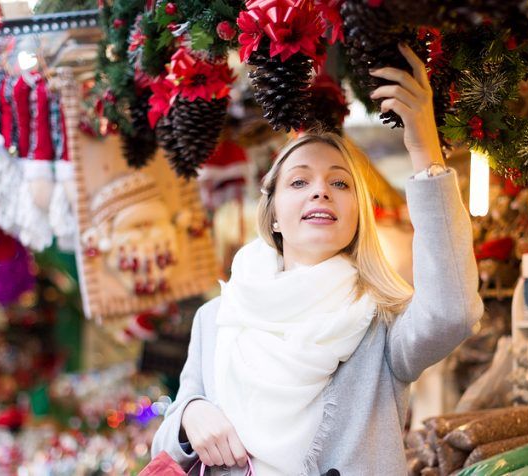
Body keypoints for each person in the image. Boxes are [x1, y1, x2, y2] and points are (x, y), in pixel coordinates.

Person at [151, 44, 484, 475]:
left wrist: (426, 154)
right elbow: (167, 439)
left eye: (340, 184)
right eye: (299, 181)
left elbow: (452, 312)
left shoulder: (381, 324)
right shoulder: (217, 318)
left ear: (357, 216)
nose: (320, 191)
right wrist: (190, 414)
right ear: (272, 215)